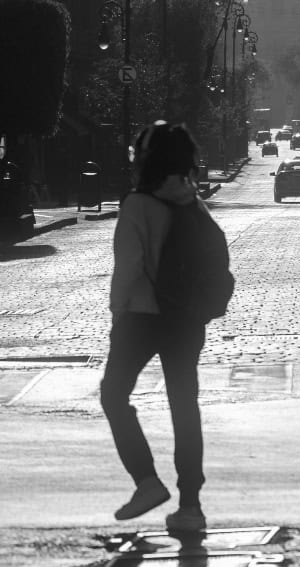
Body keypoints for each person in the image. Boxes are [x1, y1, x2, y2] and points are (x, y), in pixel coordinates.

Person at [100, 121, 213, 532]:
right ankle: (191, 504)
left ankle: (146, 481)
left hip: (142, 318)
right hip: (185, 319)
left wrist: (117, 315)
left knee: (114, 396)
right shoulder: (191, 201)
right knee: (184, 404)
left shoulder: (137, 204)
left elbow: (128, 267)